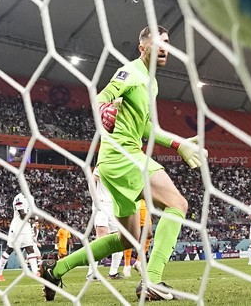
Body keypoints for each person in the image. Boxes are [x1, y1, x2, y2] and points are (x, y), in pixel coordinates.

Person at [40, 25, 207, 301]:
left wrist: (179, 144)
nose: (164, 47)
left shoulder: (151, 82)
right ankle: (152, 280)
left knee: (130, 239)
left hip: (114, 162)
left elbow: (145, 128)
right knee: (178, 204)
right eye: (157, 42)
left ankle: (55, 269)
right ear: (143, 47)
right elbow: (102, 97)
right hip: (123, 156)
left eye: (167, 42)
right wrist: (104, 108)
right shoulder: (130, 72)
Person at [86, 167, 124, 281]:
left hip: (116, 206)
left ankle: (113, 272)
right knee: (101, 238)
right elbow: (92, 180)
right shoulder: (103, 163)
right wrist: (95, 200)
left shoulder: (123, 165)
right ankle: (91, 272)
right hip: (102, 204)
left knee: (120, 238)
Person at [0, 192, 42, 281]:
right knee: (9, 249)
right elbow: (23, 215)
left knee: (30, 248)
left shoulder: (31, 197)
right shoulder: (19, 198)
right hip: (17, 228)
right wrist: (35, 217)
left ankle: (35, 272)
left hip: (26, 227)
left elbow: (31, 211)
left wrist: (33, 219)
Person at [122, 198, 151, 278]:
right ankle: (127, 265)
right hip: (131, 202)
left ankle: (138, 263)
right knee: (132, 235)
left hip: (142, 204)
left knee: (149, 234)